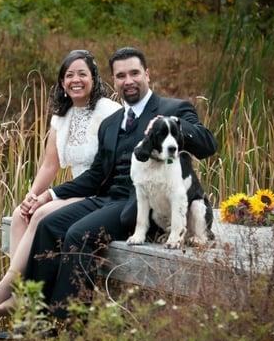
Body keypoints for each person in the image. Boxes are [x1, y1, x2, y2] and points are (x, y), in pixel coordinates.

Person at [22, 47, 218, 319]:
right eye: (121, 75)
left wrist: (172, 127)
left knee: (79, 234)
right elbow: (95, 175)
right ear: (113, 81)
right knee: (48, 225)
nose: (129, 81)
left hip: (143, 205)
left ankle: (66, 327)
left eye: (135, 73)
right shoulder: (112, 123)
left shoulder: (173, 109)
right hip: (109, 198)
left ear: (147, 74)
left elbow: (208, 145)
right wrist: (51, 194)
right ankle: (33, 320)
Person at [0, 50, 120, 317]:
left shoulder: (109, 111)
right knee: (21, 214)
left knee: (42, 214)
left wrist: (47, 198)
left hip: (99, 191)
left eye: (82, 74)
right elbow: (50, 165)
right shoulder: (61, 117)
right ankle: (21, 294)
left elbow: (105, 170)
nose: (76, 80)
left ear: (93, 78)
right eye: (69, 75)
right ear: (62, 83)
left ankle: (9, 289)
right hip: (74, 190)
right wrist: (31, 195)